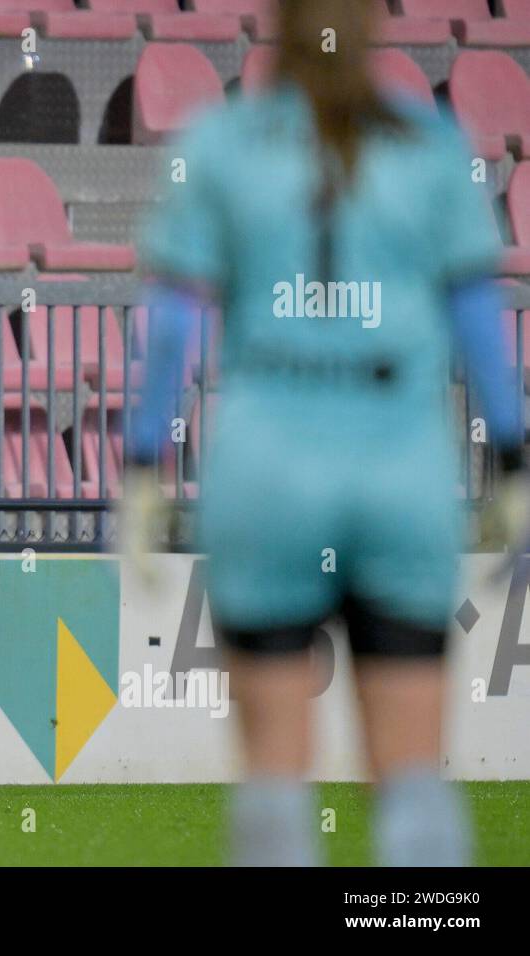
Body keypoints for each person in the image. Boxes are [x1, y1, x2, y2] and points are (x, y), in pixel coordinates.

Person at [123, 0, 529, 865]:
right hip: (400, 470)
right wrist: (517, 462)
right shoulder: (429, 145)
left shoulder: (222, 143)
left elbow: (169, 328)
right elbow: (479, 324)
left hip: (269, 466)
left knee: (274, 775)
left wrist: (143, 461)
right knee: (413, 775)